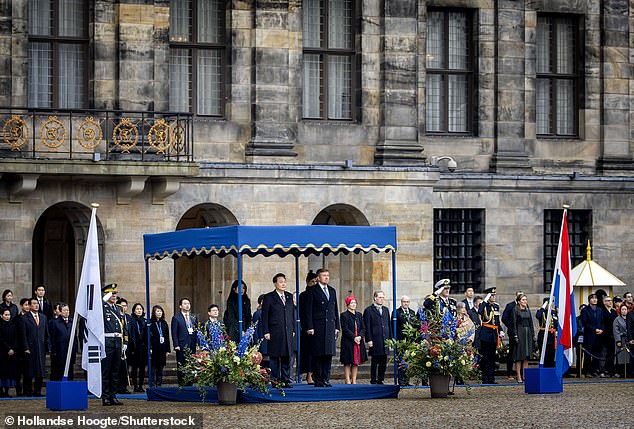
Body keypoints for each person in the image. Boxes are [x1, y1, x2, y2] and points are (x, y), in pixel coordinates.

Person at [305, 268, 339, 387]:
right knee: (318, 353)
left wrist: (337, 326)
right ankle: (318, 378)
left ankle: (326, 378)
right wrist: (310, 326)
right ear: (318, 277)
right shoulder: (312, 290)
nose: (326, 277)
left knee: (328, 354)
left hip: (330, 325)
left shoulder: (332, 291)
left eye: (328, 275)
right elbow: (308, 311)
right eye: (324, 275)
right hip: (317, 326)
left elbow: (335, 310)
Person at [262, 273, 295, 387]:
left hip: (288, 331)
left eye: (284, 281)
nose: (283, 284)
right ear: (275, 283)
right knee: (275, 357)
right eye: (280, 282)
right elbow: (265, 316)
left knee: (287, 356)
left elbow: (292, 314)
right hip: (275, 331)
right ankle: (275, 380)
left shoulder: (289, 296)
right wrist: (266, 331)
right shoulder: (269, 297)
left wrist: (293, 328)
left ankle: (286, 380)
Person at [101, 284, 126, 406]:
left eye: (115, 294)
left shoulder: (119, 308)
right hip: (107, 341)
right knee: (106, 370)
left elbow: (123, 326)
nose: (114, 296)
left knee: (115, 371)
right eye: (111, 293)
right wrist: (103, 300)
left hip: (117, 342)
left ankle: (113, 395)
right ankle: (105, 396)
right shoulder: (102, 307)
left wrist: (124, 342)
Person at [363, 290, 392, 385]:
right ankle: (373, 380)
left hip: (385, 339)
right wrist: (369, 339)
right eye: (379, 297)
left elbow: (388, 324)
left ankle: (380, 379)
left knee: (384, 361)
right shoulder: (368, 310)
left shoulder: (385, 310)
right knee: (375, 361)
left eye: (383, 297)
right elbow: (367, 326)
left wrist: (390, 338)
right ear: (375, 298)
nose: (381, 299)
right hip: (375, 339)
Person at [478, 287, 504, 384]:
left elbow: (497, 322)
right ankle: (485, 378)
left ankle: (491, 378)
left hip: (493, 335)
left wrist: (500, 331)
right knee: (485, 357)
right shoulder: (484, 305)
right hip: (485, 334)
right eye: (491, 295)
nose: (493, 297)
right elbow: (480, 311)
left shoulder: (496, 306)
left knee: (492, 358)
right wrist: (485, 300)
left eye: (494, 295)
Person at [171, 297, 198, 386]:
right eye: (185, 303)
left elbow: (196, 331)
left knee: (191, 364)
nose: (187, 305)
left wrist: (197, 343)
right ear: (180, 306)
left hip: (192, 344)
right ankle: (182, 383)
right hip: (182, 344)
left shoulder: (193, 317)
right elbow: (174, 333)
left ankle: (190, 383)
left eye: (188, 304)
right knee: (182, 365)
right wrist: (176, 344)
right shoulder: (176, 318)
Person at [340, 296, 366, 384]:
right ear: (347, 305)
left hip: (358, 341)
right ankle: (347, 379)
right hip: (348, 341)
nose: (354, 304)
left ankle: (354, 379)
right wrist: (354, 337)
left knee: (356, 361)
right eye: (352, 303)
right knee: (347, 361)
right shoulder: (344, 315)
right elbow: (345, 329)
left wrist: (359, 336)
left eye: (355, 303)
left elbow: (363, 327)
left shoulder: (359, 315)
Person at [23, 297, 47, 396]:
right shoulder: (24, 318)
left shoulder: (43, 317)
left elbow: (46, 333)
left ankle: (37, 390)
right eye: (33, 303)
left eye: (37, 303)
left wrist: (47, 346)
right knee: (29, 371)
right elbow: (23, 334)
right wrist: (25, 347)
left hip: (40, 347)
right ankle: (27, 391)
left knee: (40, 370)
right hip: (30, 348)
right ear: (29, 305)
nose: (36, 305)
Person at [48, 303, 77, 381]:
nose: (66, 312)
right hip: (59, 352)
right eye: (64, 310)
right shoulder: (55, 322)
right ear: (60, 312)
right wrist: (53, 351)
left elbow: (75, 338)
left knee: (70, 373)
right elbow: (52, 337)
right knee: (58, 373)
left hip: (70, 352)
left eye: (68, 310)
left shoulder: (72, 322)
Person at [299, 270, 317, 384]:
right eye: (312, 281)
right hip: (306, 328)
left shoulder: (318, 293)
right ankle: (308, 374)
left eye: (316, 281)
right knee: (308, 352)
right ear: (307, 282)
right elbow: (303, 312)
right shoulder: (303, 295)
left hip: (317, 326)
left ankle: (315, 373)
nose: (314, 284)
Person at [580, 294, 605, 377]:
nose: (595, 300)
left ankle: (594, 370)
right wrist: (594, 329)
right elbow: (585, 323)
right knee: (587, 355)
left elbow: (602, 321)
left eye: (596, 298)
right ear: (589, 300)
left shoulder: (600, 310)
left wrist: (601, 329)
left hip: (598, 336)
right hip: (589, 335)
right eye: (593, 298)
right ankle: (586, 371)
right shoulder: (585, 310)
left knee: (597, 354)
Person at [511, 294, 534, 383]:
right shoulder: (515, 310)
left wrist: (532, 335)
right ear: (519, 301)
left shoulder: (528, 310)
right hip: (520, 332)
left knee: (526, 356)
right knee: (519, 356)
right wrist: (515, 335)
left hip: (527, 333)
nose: (525, 301)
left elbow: (531, 323)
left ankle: (525, 375)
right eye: (523, 300)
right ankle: (518, 376)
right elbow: (514, 324)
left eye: (526, 300)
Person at [501, 290, 522, 380]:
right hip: (513, 333)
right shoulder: (510, 306)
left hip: (522, 332)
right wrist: (511, 327)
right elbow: (504, 318)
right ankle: (509, 372)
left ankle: (521, 373)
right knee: (512, 353)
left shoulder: (524, 306)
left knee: (521, 353)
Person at [149, 305, 170, 387]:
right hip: (154, 348)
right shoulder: (150, 323)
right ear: (154, 313)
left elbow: (167, 337)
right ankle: (153, 384)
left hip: (162, 348)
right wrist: (150, 347)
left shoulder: (164, 323)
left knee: (160, 368)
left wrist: (167, 350)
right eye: (157, 311)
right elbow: (149, 337)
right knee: (153, 368)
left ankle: (159, 384)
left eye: (160, 311)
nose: (159, 313)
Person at [129, 303, 148, 392]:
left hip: (143, 347)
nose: (139, 310)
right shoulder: (132, 320)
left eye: (140, 309)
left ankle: (140, 385)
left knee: (142, 367)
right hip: (134, 347)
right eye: (137, 309)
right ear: (134, 311)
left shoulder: (145, 321)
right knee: (134, 367)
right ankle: (135, 385)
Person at [14, 298, 31, 396]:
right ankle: (18, 390)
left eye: (29, 305)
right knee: (18, 373)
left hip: (29, 349)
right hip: (19, 349)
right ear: (21, 306)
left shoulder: (31, 318)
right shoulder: (17, 318)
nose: (27, 307)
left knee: (27, 372)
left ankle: (27, 390)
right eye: (25, 305)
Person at [116, 297, 133, 394]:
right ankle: (117, 386)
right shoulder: (117, 316)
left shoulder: (128, 317)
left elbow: (129, 332)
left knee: (125, 368)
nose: (124, 308)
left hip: (127, 346)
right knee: (118, 367)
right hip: (118, 345)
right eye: (122, 306)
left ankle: (124, 386)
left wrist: (127, 344)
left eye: (125, 306)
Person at [0, 308, 18, 397]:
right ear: (1, 315)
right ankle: (1, 391)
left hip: (11, 353)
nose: (7, 317)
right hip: (2, 353)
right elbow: (1, 339)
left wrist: (13, 349)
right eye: (6, 315)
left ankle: (7, 391)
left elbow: (16, 338)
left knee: (9, 371)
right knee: (2, 371)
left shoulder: (13, 325)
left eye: (9, 315)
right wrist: (8, 349)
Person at [535, 298, 557, 368]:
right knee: (544, 354)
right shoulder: (542, 311)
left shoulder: (554, 312)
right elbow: (538, 316)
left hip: (552, 336)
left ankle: (550, 369)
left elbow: (556, 323)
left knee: (551, 354)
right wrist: (543, 307)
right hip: (544, 335)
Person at [252, 295, 269, 369]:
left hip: (270, 343)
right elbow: (255, 329)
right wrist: (256, 343)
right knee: (261, 363)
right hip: (262, 342)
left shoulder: (270, 312)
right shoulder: (257, 313)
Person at [613, 304, 629, 378]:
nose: (624, 311)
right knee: (621, 356)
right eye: (622, 309)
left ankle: (628, 372)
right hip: (621, 339)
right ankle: (620, 372)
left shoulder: (629, 318)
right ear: (620, 310)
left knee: (628, 356)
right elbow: (616, 331)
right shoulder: (617, 319)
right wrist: (618, 340)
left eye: (625, 309)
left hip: (628, 340)